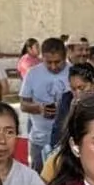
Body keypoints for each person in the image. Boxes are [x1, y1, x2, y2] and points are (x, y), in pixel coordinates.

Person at [20, 38, 71, 171]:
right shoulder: (33, 73)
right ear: (42, 57)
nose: (53, 67)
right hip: (39, 140)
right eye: (48, 62)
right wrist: (39, 108)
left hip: (67, 140)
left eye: (58, 62)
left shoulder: (73, 72)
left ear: (65, 56)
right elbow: (23, 104)